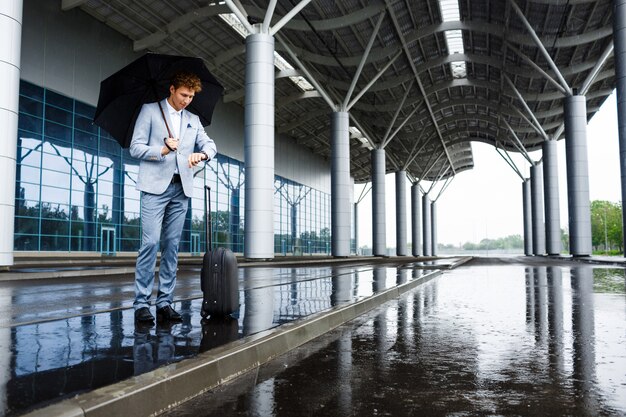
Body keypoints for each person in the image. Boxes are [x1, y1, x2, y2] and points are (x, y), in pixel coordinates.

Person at [130, 71, 217, 324]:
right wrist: (163, 149)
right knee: (150, 243)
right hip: (154, 188)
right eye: (183, 95)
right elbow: (135, 147)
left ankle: (165, 302)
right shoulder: (149, 111)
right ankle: (141, 304)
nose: (187, 100)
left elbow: (210, 145)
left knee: (171, 247)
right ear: (171, 89)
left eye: (191, 96)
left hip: (182, 190)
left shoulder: (193, 119)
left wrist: (202, 156)